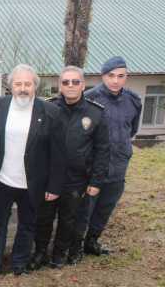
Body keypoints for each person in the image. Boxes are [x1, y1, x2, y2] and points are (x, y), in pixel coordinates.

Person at [0, 64, 64, 279]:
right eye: (18, 84)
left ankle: (19, 263)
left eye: (28, 84)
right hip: (2, 180)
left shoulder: (51, 112)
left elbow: (58, 153)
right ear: (10, 86)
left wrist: (54, 186)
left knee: (27, 224)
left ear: (35, 86)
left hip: (33, 182)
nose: (23, 88)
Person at [29, 66, 110, 269]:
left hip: (78, 178)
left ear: (83, 85)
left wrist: (96, 181)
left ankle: (59, 254)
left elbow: (102, 150)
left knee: (69, 220)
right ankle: (40, 254)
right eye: (66, 82)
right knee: (44, 218)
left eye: (75, 82)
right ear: (60, 86)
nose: (71, 86)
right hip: (49, 178)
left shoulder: (96, 113)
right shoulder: (48, 109)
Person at [74, 56, 142, 257]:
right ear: (103, 76)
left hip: (119, 164)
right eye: (111, 76)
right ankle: (75, 246)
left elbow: (132, 130)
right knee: (85, 208)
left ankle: (92, 241)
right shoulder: (89, 98)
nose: (115, 80)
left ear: (126, 77)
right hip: (93, 166)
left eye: (121, 76)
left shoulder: (133, 100)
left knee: (105, 207)